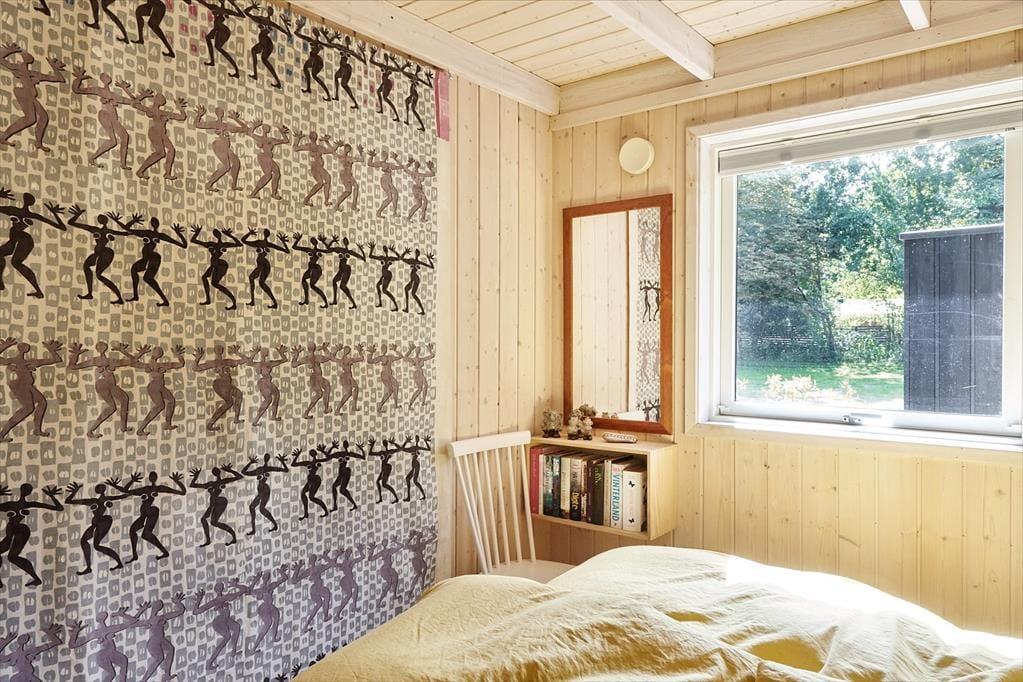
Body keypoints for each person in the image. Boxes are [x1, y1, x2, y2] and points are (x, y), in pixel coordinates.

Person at [105, 470, 185, 562]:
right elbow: (125, 491)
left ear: (155, 478)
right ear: (150, 478)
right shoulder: (145, 489)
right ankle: (135, 555)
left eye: (153, 477)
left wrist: (177, 481)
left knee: (146, 534)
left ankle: (164, 552)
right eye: (151, 477)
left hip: (152, 511)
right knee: (133, 530)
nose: (152, 478)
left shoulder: (159, 488)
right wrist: (130, 481)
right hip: (144, 513)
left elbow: (183, 492)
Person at [0, 189, 66, 299]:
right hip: (14, 237)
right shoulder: (13, 210)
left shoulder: (27, 214)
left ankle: (38, 291)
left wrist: (54, 213)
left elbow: (62, 227)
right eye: (15, 219)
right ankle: (1, 283)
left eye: (27, 222)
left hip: (25, 240)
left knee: (16, 263)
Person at [0, 43, 66, 151]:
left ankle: (38, 143)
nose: (28, 59)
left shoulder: (33, 73)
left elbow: (59, 79)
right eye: (26, 57)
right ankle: (3, 137)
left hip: (31, 96)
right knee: (30, 119)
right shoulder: (18, 68)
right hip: (24, 94)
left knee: (43, 117)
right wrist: (11, 50)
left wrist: (54, 67)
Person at [0, 483, 62, 587]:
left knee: (12, 557)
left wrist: (52, 496)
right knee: (11, 556)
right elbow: (58, 508)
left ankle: (36, 579)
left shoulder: (22, 504)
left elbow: (59, 508)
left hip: (21, 531)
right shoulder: (10, 505)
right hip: (11, 530)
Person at [0, 338, 62, 442]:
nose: (25, 349)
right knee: (28, 408)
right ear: (20, 349)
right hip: (21, 386)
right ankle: (1, 435)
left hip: (28, 386)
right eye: (24, 347)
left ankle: (37, 430)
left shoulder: (30, 361)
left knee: (42, 402)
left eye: (26, 347)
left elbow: (56, 359)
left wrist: (51, 349)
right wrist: (4, 346)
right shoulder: (14, 360)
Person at [64, 481, 128, 575]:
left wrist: (116, 486)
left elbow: (124, 495)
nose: (100, 489)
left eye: (101, 488)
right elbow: (68, 501)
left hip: (104, 522)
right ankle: (89, 567)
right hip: (96, 523)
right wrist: (74, 492)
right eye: (99, 488)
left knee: (96, 545)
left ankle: (118, 563)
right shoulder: (93, 501)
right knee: (84, 541)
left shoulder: (105, 499)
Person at [189, 465, 244, 547]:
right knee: (209, 521)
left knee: (209, 519)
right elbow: (192, 485)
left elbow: (240, 477)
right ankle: (211, 540)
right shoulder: (212, 483)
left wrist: (196, 477)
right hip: (214, 503)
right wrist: (229, 470)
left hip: (220, 501)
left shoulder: (220, 482)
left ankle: (232, 536)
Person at [240, 452, 288, 534]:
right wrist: (250, 463)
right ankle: (255, 530)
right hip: (261, 489)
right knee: (253, 507)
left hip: (265, 490)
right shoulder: (259, 470)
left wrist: (282, 461)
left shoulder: (268, 468)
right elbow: (243, 472)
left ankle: (274, 525)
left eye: (267, 457)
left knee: (259, 509)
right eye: (266, 457)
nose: (266, 459)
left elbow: (286, 470)